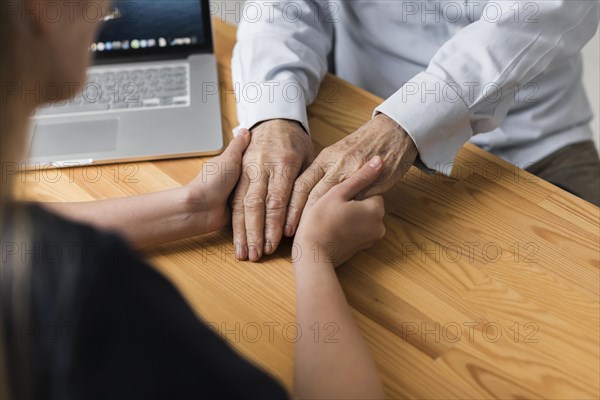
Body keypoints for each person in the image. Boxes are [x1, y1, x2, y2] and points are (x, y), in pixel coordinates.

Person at [0, 1, 386, 398]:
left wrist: (190, 207)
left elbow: (21, 238)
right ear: (42, 11)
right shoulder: (95, 293)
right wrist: (315, 253)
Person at [230, 0, 600, 262]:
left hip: (537, 143)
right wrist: (273, 116)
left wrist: (403, 126)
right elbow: (284, 6)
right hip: (356, 122)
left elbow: (544, 12)